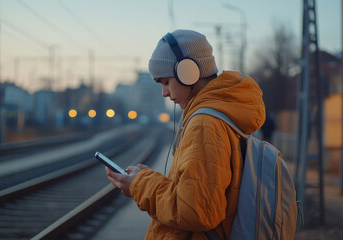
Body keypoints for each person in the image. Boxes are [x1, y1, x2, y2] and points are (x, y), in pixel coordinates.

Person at [105, 29, 265, 239]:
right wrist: (150, 178)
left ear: (188, 71)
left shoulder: (204, 124)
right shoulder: (214, 116)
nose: (164, 92)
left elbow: (197, 211)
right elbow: (197, 191)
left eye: (165, 82)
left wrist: (139, 185)